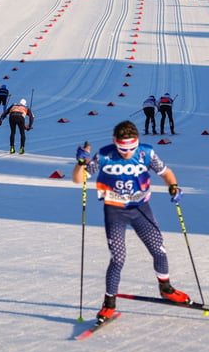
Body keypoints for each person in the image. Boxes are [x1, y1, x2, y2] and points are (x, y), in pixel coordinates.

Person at [72, 120, 188, 324]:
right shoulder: (105, 155)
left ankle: (166, 288)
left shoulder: (146, 153)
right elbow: (79, 179)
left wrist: (174, 187)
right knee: (118, 258)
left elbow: (166, 173)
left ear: (138, 143)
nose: (127, 153)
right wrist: (80, 163)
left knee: (159, 250)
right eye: (122, 148)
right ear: (114, 142)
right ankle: (108, 304)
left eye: (131, 148)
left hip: (140, 209)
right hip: (115, 210)